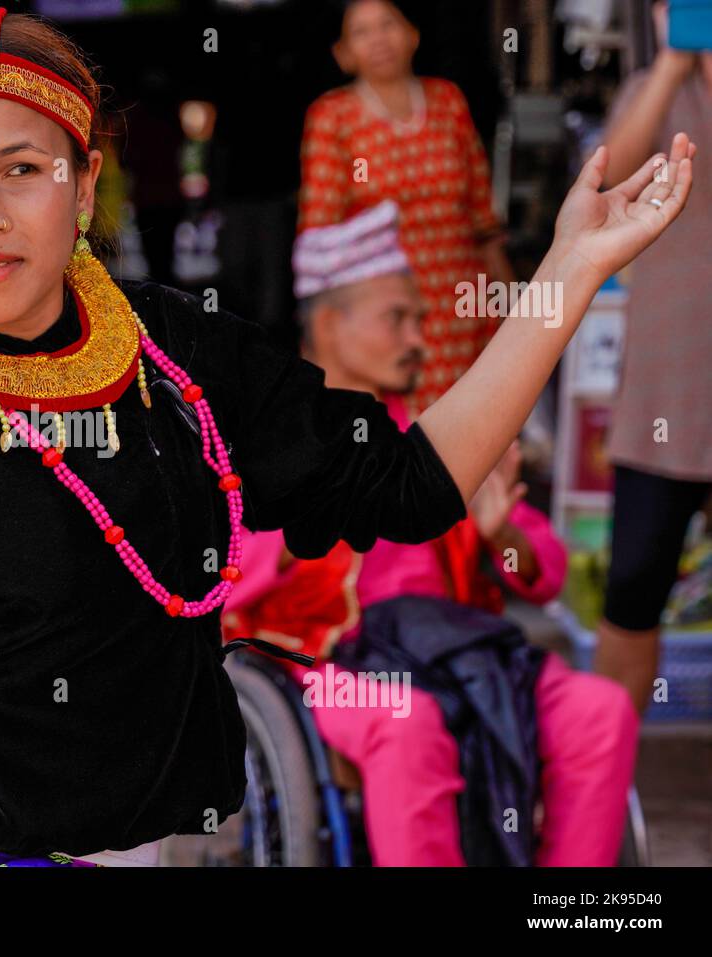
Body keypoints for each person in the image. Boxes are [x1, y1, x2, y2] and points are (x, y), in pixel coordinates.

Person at [0, 7, 692, 868]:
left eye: (23, 170)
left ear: (86, 183)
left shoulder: (178, 357)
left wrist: (567, 274)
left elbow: (403, 483)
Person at [222, 201, 639, 866]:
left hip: (453, 654)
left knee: (599, 709)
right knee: (407, 724)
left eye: (420, 318)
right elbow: (223, 574)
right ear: (331, 323)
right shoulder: (274, 435)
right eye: (398, 319)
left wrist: (503, 536)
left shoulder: (447, 428)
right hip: (327, 669)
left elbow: (547, 570)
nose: (419, 337)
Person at [298, 0, 516, 413]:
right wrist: (324, 335)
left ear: (413, 35)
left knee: (478, 426)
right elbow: (320, 233)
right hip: (390, 315)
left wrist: (508, 305)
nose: (379, 39)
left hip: (465, 302)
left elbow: (482, 217)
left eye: (388, 25)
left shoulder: (448, 100)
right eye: (362, 32)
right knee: (409, 440)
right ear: (343, 54)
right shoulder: (333, 116)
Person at [593, 0, 712, 716]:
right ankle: (602, 760)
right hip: (666, 387)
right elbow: (610, 176)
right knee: (634, 579)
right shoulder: (651, 90)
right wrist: (674, 62)